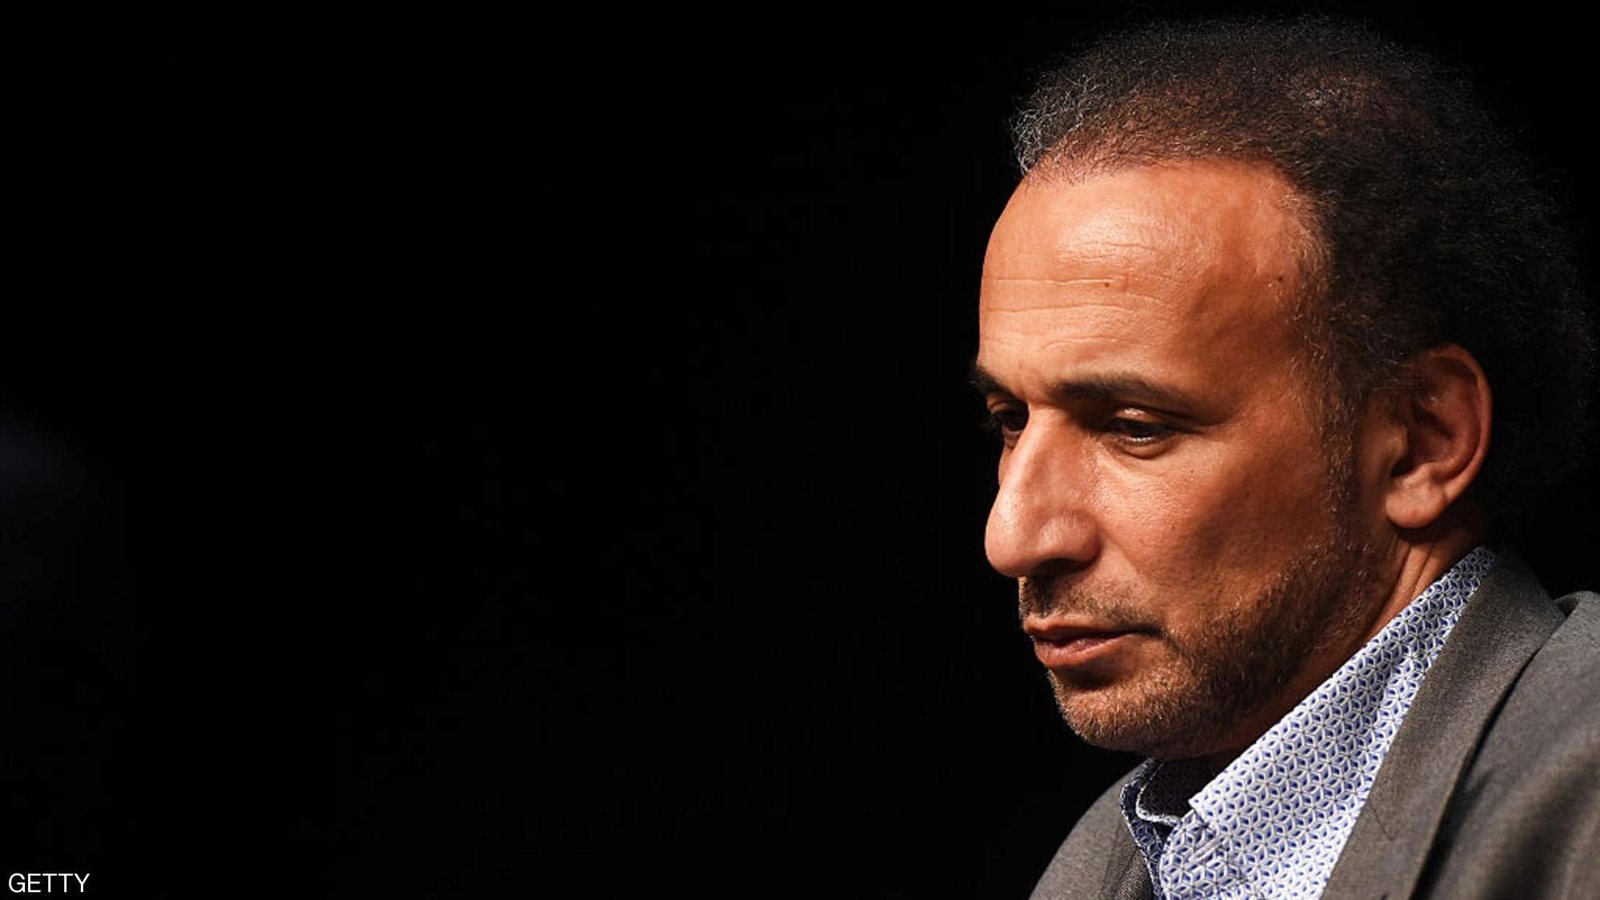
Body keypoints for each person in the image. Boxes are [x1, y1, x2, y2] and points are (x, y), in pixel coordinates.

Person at [972, 16, 1600, 899]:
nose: (1013, 537)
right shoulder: (1111, 861)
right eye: (1009, 419)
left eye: (1135, 427)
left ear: (1423, 444)